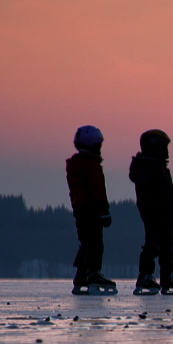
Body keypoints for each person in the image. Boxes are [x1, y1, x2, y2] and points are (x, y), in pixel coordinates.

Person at [129, 129, 173, 295]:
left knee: (167, 247)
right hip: (155, 215)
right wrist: (153, 212)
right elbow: (147, 195)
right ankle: (145, 275)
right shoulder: (148, 169)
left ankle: (167, 276)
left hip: (165, 215)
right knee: (152, 245)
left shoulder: (157, 167)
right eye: (164, 147)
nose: (167, 151)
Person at [66, 125, 117, 295]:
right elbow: (97, 189)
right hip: (92, 208)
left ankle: (81, 275)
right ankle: (93, 273)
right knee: (95, 243)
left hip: (79, 209)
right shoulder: (91, 165)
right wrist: (105, 211)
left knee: (86, 243)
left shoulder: (75, 165)